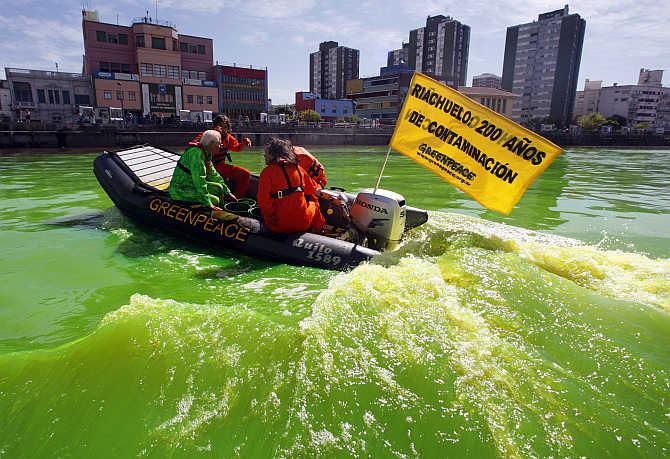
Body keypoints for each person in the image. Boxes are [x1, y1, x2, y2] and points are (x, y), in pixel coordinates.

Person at [257, 138, 325, 233]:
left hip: (278, 225)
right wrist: (322, 185)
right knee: (314, 203)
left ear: (274, 155)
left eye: (267, 153)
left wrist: (269, 218)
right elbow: (313, 190)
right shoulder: (299, 169)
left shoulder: (266, 173)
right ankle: (320, 230)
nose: (264, 155)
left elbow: (263, 202)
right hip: (303, 224)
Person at [169, 129, 235, 211]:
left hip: (191, 184)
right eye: (219, 144)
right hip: (181, 189)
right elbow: (199, 181)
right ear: (211, 144)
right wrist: (208, 203)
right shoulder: (196, 155)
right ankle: (215, 214)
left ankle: (224, 210)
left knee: (219, 188)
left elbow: (214, 175)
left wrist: (228, 192)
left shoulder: (206, 153)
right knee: (214, 200)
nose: (220, 146)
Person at [191, 115, 252, 197]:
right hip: (205, 167)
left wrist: (244, 142)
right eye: (220, 126)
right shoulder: (208, 134)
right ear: (215, 126)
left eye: (225, 127)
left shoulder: (228, 138)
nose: (222, 130)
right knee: (214, 185)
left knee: (246, 174)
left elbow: (236, 147)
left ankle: (237, 198)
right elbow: (194, 145)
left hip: (220, 167)